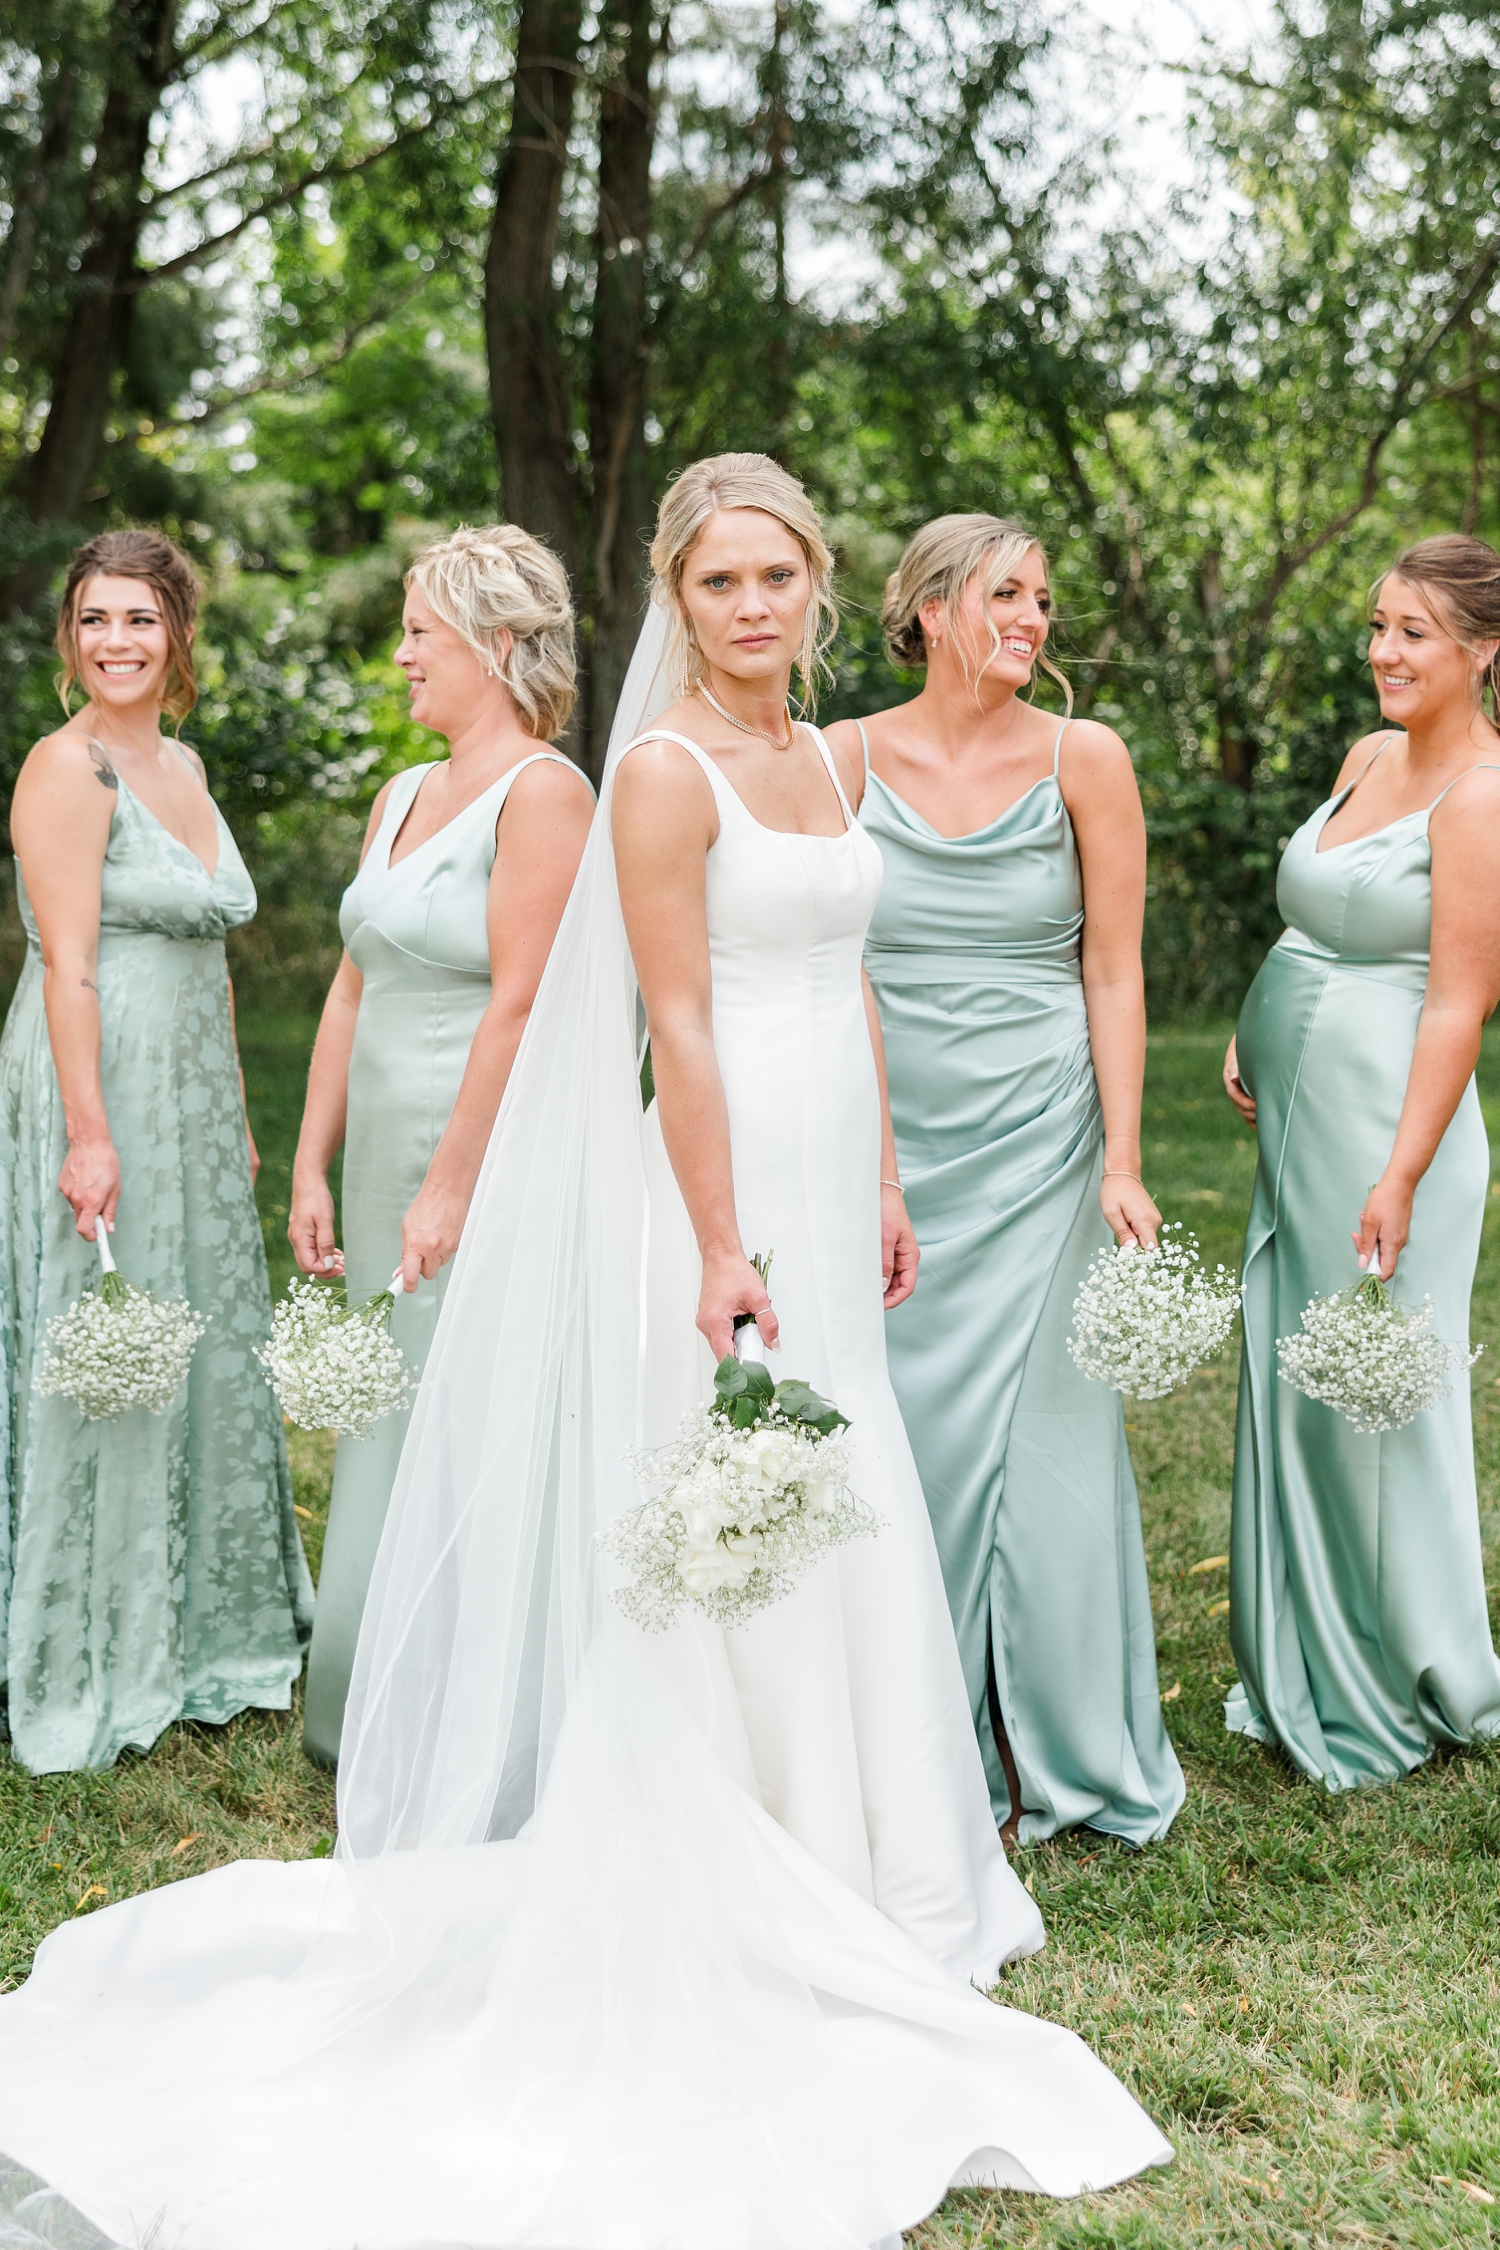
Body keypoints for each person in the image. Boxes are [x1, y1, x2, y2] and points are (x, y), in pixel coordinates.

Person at [0, 458, 1170, 2244]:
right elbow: (677, 1012)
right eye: (718, 584)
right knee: (737, 1492)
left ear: (824, 587)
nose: (754, 606)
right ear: (674, 602)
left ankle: (871, 1848)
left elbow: (842, 961)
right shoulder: (659, 771)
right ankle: (744, 1850)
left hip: (828, 1151)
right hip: (716, 1178)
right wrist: (716, 1239)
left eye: (779, 575)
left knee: (840, 1483)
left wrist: (878, 1173)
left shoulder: (818, 761)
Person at [825, 515, 1184, 1847]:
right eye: (1002, 594)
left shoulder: (1083, 757)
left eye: (1042, 596)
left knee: (1049, 1462)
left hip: (1045, 1136)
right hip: (887, 1135)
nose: (1031, 617)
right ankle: (908, 1738)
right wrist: (855, 1155)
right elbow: (821, 954)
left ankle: (1062, 1744)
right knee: (902, 1434)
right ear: (925, 609)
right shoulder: (841, 757)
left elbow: (1112, 965)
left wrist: (1127, 1158)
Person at [0, 528, 312, 1775]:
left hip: (186, 1090)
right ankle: (94, 1643)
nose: (115, 641)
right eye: (94, 620)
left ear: (177, 634)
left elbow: (213, 956)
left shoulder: (178, 761)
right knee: (107, 1343)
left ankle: (200, 1629)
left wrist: (231, 1103)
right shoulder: (65, 768)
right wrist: (90, 1133)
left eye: (139, 618)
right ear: (69, 640)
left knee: (196, 1335)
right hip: (100, 1076)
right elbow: (67, 960)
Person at [290, 524, 593, 1767]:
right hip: (379, 1162)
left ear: (498, 642)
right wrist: (313, 1161)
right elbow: (352, 986)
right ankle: (371, 1685)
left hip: (482, 1155)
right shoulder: (400, 795)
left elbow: (522, 1002)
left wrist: (450, 1185)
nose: (403, 653)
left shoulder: (549, 793)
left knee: (473, 1408)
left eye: (422, 630)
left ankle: (475, 1715)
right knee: (389, 1409)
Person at [1222, 534, 1500, 1789]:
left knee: (1381, 1400)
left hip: (1394, 1126)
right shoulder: (1368, 756)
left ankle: (1417, 1669)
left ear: (1484, 653)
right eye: (1379, 626)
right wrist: (1245, 1022)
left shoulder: (1485, 794)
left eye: (1414, 634)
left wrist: (1398, 1176)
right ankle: (1307, 1645)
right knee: (1296, 1374)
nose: (1384, 652)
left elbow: (1457, 1001)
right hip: (1296, 1108)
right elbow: (1313, 915)